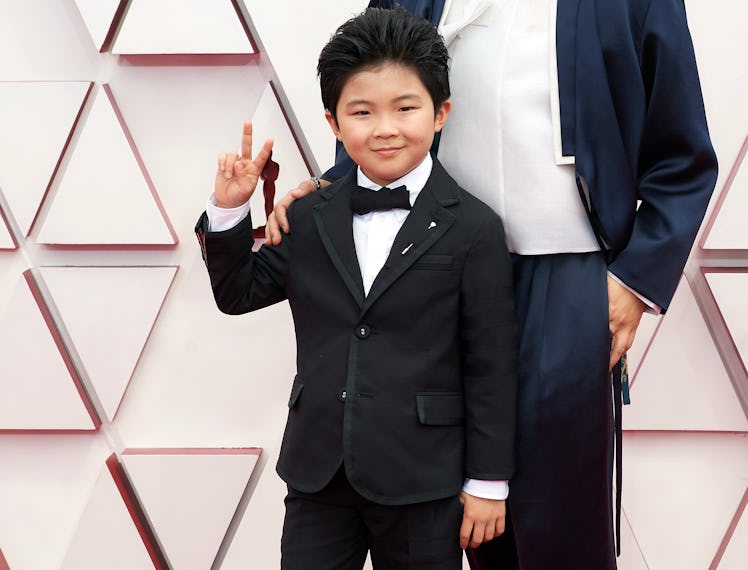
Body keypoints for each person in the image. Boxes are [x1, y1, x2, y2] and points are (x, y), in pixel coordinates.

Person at [265, 0, 719, 568]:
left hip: (566, 276)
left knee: (558, 508)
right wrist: (333, 195)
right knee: (441, 504)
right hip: (428, 266)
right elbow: (372, 92)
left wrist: (633, 281)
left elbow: (683, 158)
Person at [195, 7, 519, 569]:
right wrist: (229, 209)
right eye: (362, 112)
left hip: (424, 479)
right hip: (319, 473)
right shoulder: (309, 214)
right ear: (334, 124)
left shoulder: (475, 227)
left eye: (406, 108)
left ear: (440, 113)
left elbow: (491, 363)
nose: (386, 128)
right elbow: (237, 293)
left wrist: (489, 481)